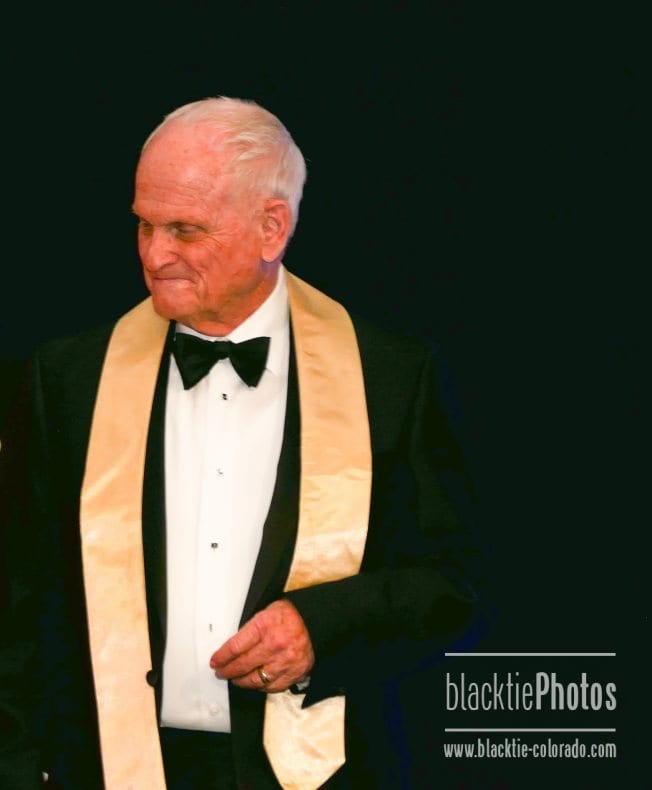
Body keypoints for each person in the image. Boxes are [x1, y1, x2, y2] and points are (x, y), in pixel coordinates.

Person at [0, 96, 483, 789]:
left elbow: (455, 583)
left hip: (317, 768)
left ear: (271, 228)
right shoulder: (67, 378)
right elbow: (17, 607)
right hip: (109, 765)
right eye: (144, 225)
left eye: (185, 230)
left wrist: (322, 626)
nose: (154, 255)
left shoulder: (392, 375)